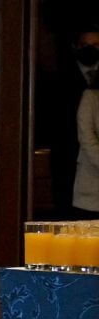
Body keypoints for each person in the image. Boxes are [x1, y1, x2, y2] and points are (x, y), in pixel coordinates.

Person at [69, 26, 99, 215]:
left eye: (95, 45)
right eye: (85, 44)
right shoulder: (90, 96)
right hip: (90, 185)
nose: (90, 49)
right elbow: (87, 138)